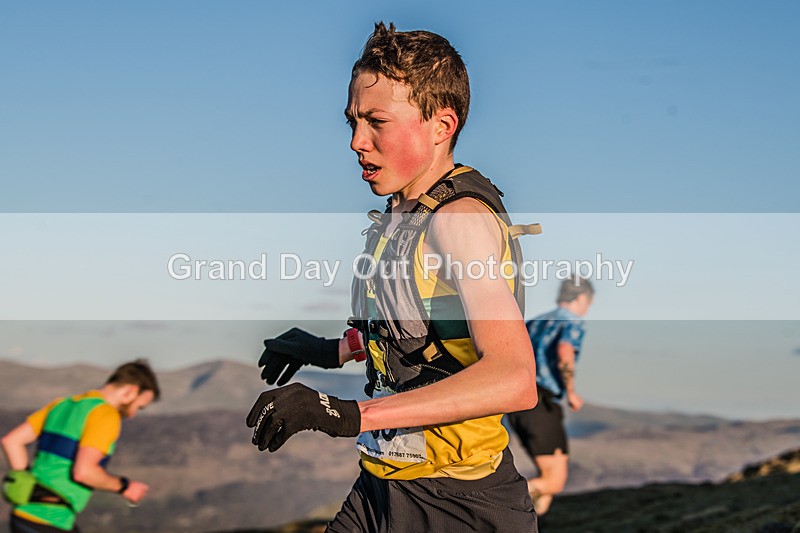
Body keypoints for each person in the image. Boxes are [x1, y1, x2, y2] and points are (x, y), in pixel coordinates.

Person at [246, 22, 542, 532]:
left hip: (460, 505)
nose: (357, 141)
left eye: (376, 121)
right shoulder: (401, 215)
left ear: (441, 126)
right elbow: (418, 337)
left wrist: (345, 414)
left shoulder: (458, 220)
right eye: (353, 122)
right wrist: (326, 349)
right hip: (384, 483)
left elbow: (515, 378)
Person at [1, 359, 159, 533]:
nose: (133, 415)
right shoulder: (105, 414)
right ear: (131, 391)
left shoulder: (62, 404)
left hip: (22, 516)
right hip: (50, 521)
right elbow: (84, 473)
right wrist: (125, 486)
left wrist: (27, 485)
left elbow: (12, 441)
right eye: (139, 406)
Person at [506, 275, 594, 515]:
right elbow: (564, 350)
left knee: (548, 490)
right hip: (540, 402)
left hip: (518, 402)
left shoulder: (535, 322)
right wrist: (571, 391)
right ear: (584, 297)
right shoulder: (572, 321)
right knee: (553, 481)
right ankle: (494, 507)